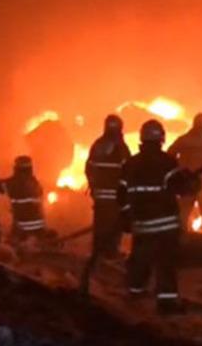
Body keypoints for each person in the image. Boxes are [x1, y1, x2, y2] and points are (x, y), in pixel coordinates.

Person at [117, 120, 201, 314]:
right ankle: (166, 303)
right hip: (166, 225)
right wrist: (193, 180)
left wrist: (126, 217)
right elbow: (182, 189)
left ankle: (135, 293)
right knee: (166, 263)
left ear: (142, 138)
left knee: (140, 259)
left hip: (142, 224)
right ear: (161, 139)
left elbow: (121, 194)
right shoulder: (168, 162)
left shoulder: (130, 164)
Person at [79, 114, 131, 295]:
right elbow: (128, 170)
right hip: (115, 196)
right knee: (115, 225)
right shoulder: (122, 147)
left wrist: (94, 185)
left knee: (100, 224)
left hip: (101, 195)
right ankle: (110, 253)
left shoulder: (97, 145)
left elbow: (89, 167)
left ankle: (97, 254)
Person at [167, 113, 202, 235]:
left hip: (186, 183)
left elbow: (169, 156)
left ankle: (180, 237)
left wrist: (179, 169)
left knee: (183, 212)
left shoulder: (183, 140)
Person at [0, 155, 52, 243]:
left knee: (7, 242)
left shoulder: (13, 183)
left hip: (22, 228)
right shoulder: (36, 183)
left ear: (17, 168)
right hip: (40, 227)